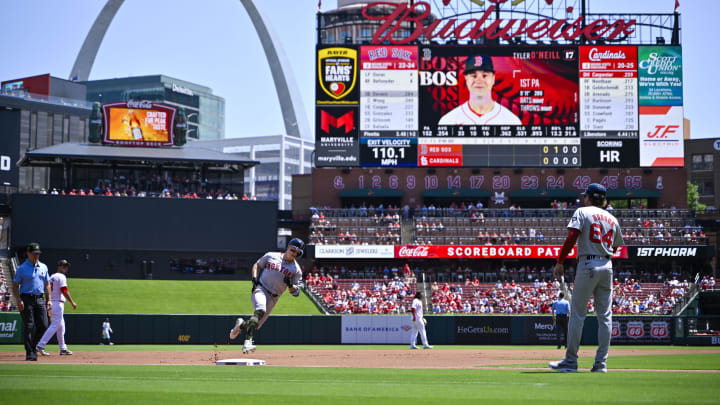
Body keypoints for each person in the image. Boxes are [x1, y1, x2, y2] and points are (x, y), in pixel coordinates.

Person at [549, 183, 624, 373]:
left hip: (588, 263)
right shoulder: (612, 218)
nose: (584, 199)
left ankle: (571, 361)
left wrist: (560, 261)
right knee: (605, 318)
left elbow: (572, 236)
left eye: (586, 196)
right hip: (607, 266)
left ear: (589, 197)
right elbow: (616, 248)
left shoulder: (583, 212)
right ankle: (601, 364)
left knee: (577, 314)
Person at [229, 238, 304, 354]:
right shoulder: (271, 255)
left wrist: (290, 285)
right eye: (293, 250)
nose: (294, 253)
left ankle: (241, 325)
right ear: (288, 246)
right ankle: (247, 344)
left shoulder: (296, 270)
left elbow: (296, 293)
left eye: (297, 253)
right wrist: (254, 279)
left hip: (274, 297)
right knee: (260, 311)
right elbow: (257, 265)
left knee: (255, 325)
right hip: (261, 288)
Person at [438, 54, 522, 126]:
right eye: (473, 76)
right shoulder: (448, 121)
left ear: (493, 78)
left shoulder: (511, 121)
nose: (479, 80)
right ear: (466, 79)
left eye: (485, 75)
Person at [11, 242, 51, 361]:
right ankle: (30, 352)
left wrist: (49, 300)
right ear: (28, 253)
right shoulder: (21, 269)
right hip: (26, 298)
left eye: (38, 254)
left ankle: (33, 347)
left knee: (44, 325)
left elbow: (47, 284)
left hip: (40, 298)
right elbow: (15, 286)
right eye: (34, 253)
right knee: (29, 325)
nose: (36, 256)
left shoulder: (43, 267)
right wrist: (18, 300)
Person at [36, 259, 77, 356]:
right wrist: (72, 302)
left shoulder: (52, 276)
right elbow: (64, 290)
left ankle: (63, 348)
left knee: (61, 326)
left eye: (66, 266)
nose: (65, 268)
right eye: (63, 266)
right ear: (59, 266)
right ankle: (40, 345)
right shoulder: (61, 276)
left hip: (52, 302)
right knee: (55, 325)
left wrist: (48, 302)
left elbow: (47, 290)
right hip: (57, 303)